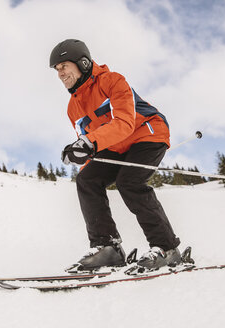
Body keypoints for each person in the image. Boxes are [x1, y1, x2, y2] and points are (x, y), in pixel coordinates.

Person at [50, 39, 181, 272]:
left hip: (147, 133)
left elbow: (124, 122)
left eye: (64, 66)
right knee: (87, 180)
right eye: (57, 70)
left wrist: (88, 143)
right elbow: (93, 147)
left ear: (83, 62)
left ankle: (166, 248)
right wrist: (81, 154)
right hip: (115, 146)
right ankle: (107, 248)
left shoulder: (112, 81)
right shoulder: (73, 107)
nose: (60, 73)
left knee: (129, 182)